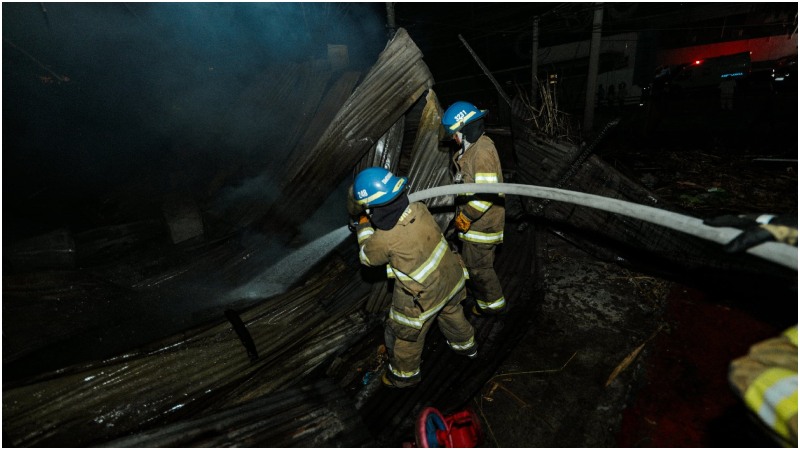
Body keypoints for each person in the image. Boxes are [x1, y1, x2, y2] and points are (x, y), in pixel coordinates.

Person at [350, 167, 477, 388]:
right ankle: (467, 347)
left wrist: (363, 226)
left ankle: (404, 376)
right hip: (452, 278)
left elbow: (367, 258)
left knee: (407, 338)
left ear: (373, 206)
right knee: (452, 313)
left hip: (423, 298)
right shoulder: (419, 208)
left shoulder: (385, 238)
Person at [441, 101, 506, 317]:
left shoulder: (482, 151)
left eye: (455, 132)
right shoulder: (470, 149)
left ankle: (493, 309)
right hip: (474, 226)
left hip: (482, 228)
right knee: (473, 264)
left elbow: (487, 194)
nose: (453, 138)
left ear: (465, 128)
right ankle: (483, 300)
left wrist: (466, 216)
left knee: (480, 270)